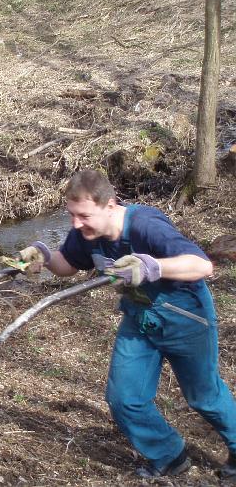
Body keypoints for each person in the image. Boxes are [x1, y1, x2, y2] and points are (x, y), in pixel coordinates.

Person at [19, 169, 236, 479]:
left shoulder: (146, 226)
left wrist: (152, 265)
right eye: (71, 215)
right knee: (124, 398)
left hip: (186, 318)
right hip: (141, 320)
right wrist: (42, 255)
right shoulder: (85, 234)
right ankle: (169, 455)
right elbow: (67, 264)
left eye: (83, 216)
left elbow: (201, 265)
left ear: (110, 205)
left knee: (204, 396)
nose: (75, 224)